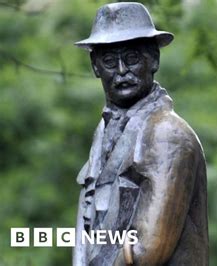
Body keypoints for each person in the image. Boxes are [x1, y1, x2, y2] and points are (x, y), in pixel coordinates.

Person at [73, 3, 208, 265]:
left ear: (153, 59)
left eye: (132, 58)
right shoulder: (104, 132)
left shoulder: (167, 135)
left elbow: (147, 251)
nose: (122, 71)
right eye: (110, 61)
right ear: (95, 66)